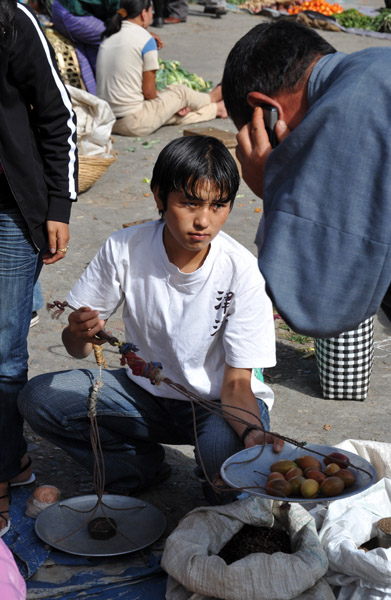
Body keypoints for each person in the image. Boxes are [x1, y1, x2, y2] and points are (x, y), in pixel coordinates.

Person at [18, 135, 282, 506]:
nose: (203, 221)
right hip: (144, 395)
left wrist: (253, 433)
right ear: (160, 197)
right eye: (189, 203)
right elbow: (76, 348)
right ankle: (136, 467)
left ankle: (215, 470)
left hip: (217, 405)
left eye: (218, 205)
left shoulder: (242, 272)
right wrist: (78, 333)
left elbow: (237, 385)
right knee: (39, 398)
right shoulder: (125, 247)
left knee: (226, 481)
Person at [222, 20, 391, 338]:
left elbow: (319, 305)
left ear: (266, 113)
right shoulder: (371, 65)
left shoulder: (344, 112)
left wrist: (272, 181)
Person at [0, 0, 78, 537]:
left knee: (3, 353)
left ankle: (4, 471)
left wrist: (58, 205)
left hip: (8, 211)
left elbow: (58, 115)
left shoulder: (12, 21)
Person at [96, 0, 227, 137]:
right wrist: (173, 102)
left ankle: (217, 109)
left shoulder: (109, 36)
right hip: (134, 122)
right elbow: (149, 94)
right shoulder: (146, 40)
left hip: (109, 121)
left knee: (173, 115)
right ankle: (212, 97)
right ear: (143, 13)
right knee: (180, 92)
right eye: (151, 12)